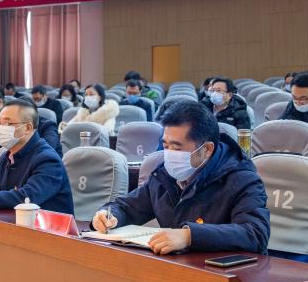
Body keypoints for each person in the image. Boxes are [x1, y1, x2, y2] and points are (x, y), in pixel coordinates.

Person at [91, 100, 269, 255]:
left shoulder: (241, 179)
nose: (169, 154)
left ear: (207, 149)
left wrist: (189, 236)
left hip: (224, 272)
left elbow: (255, 233)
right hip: (177, 266)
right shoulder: (164, 176)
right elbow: (128, 207)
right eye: (165, 146)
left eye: (177, 148)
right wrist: (109, 215)